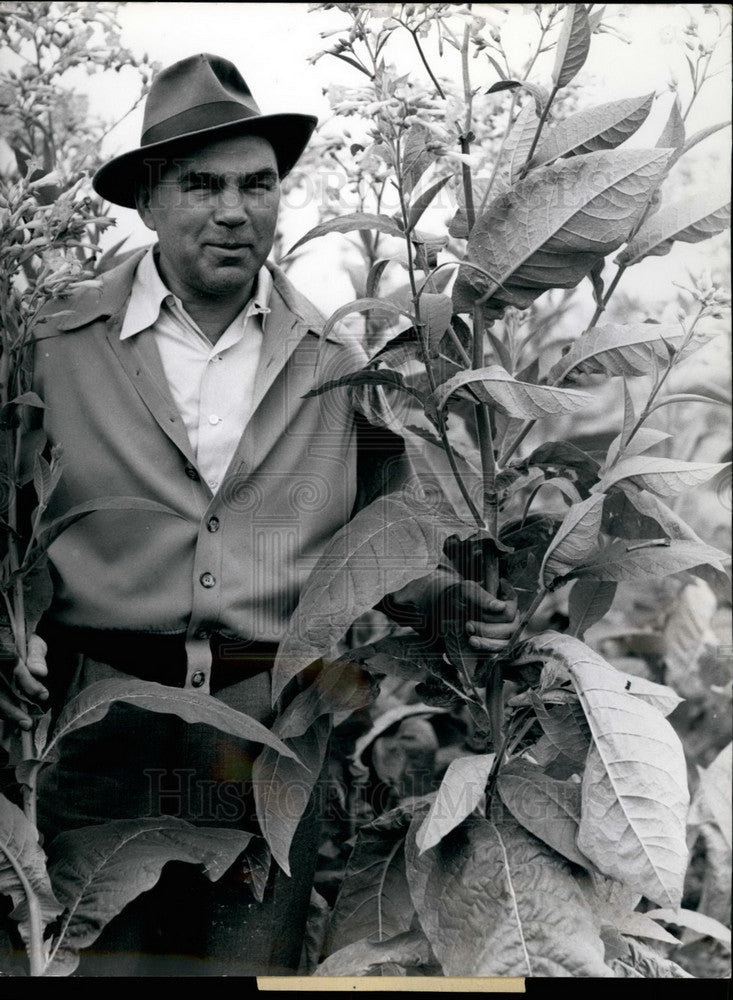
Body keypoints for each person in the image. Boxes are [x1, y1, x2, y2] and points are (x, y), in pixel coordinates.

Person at [2, 54, 517, 976]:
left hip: (270, 734)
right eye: (202, 185)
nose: (234, 211)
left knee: (242, 968)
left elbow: (382, 536)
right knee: (81, 958)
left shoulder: (337, 359)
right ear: (147, 200)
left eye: (257, 185)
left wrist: (452, 602)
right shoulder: (51, 344)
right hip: (95, 726)